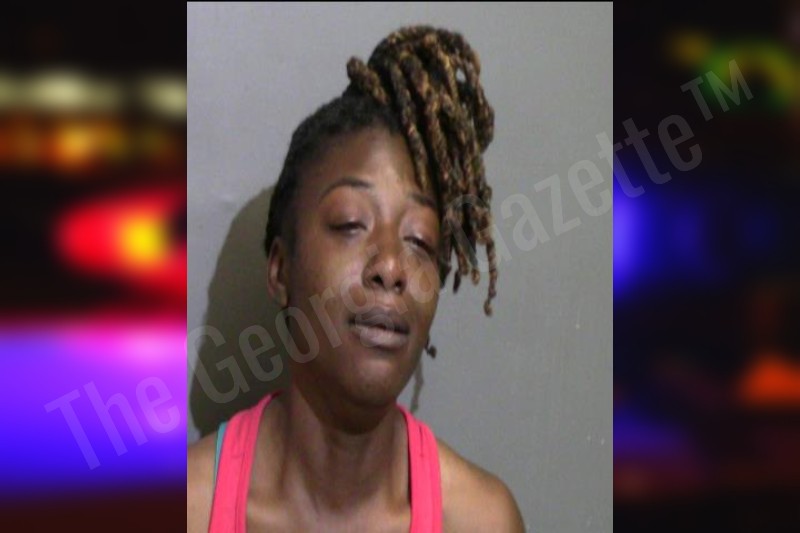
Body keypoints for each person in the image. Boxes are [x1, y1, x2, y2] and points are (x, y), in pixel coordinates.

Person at [188, 25, 525, 532]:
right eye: (350, 223)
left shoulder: (480, 521)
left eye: (420, 240)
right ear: (280, 270)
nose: (391, 265)